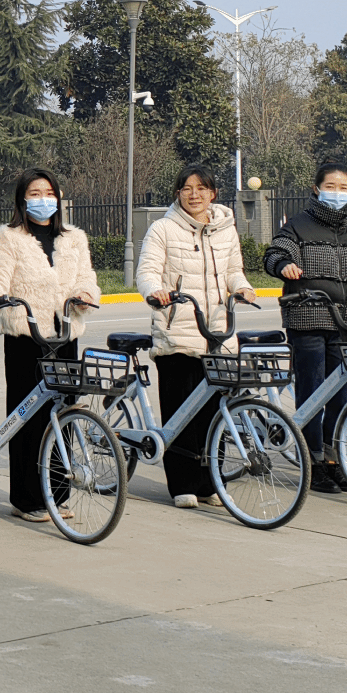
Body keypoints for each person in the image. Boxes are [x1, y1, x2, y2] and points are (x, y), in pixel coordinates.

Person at [0, 167, 100, 522]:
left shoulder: (74, 238)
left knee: (63, 415)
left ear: (58, 198)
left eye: (49, 193)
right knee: (28, 420)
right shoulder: (7, 238)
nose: (43, 200)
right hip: (26, 337)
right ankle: (26, 499)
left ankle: (57, 494)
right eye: (34, 194)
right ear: (22, 200)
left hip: (64, 335)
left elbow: (87, 277)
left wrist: (85, 295)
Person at [136, 165, 255, 509]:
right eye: (187, 188)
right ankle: (182, 485)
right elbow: (147, 271)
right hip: (178, 331)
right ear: (178, 194)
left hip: (217, 333)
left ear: (213, 193)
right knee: (181, 412)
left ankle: (210, 483)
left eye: (201, 188)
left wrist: (243, 288)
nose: (194, 194)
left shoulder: (226, 228)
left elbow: (234, 271)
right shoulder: (163, 228)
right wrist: (156, 291)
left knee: (214, 413)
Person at [263, 160, 347, 493]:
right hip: (308, 318)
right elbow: (274, 254)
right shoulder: (298, 225)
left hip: (345, 321)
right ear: (316, 189)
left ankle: (334, 460)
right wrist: (284, 265)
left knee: (342, 395)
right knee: (312, 394)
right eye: (330, 187)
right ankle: (312, 462)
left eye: (343, 188)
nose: (337, 193)